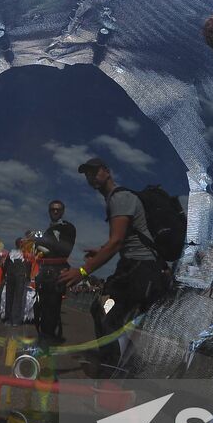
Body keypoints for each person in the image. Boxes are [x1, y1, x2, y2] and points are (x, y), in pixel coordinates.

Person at [61, 157, 162, 372]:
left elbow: (116, 242)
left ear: (106, 172)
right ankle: (125, 363)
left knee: (105, 312)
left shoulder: (120, 198)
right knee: (108, 313)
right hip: (136, 267)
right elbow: (122, 239)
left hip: (140, 268)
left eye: (94, 171)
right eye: (87, 174)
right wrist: (100, 251)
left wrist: (82, 271)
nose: (90, 177)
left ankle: (113, 367)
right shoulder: (115, 199)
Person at [33, 199, 76, 341]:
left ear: (62, 211)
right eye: (52, 209)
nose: (55, 211)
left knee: (52, 308)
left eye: (58, 209)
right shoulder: (49, 230)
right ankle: (45, 337)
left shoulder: (67, 227)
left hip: (56, 271)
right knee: (42, 307)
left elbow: (64, 249)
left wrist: (41, 244)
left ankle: (48, 340)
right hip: (44, 272)